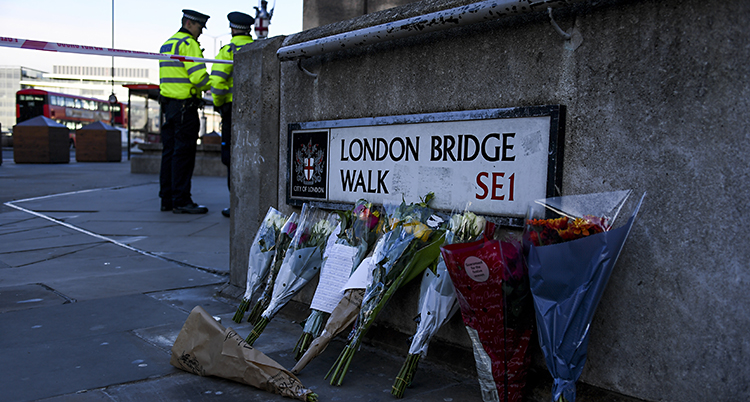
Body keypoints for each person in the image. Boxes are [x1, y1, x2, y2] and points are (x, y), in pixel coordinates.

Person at [158, 9, 211, 214]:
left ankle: (167, 199)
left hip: (169, 107)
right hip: (185, 108)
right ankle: (181, 200)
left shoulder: (168, 43)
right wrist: (211, 84)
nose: (201, 32)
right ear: (189, 24)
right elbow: (199, 78)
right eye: (199, 27)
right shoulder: (188, 44)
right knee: (184, 154)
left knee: (169, 153)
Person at [210, 11, 255, 218]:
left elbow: (218, 84)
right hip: (256, 112)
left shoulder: (228, 51)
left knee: (233, 157)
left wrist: (219, 105)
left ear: (232, 28)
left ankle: (235, 203)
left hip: (232, 111)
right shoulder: (257, 48)